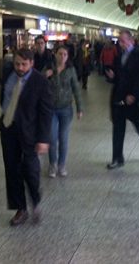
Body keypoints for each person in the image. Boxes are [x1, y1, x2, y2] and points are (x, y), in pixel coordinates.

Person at [0, 48, 53, 226]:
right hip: (8, 128)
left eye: (23, 64)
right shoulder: (8, 75)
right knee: (12, 169)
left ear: (31, 63)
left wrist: (43, 139)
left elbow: (46, 113)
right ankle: (20, 208)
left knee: (30, 169)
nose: (19, 67)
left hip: (30, 132)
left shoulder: (40, 82)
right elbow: (3, 97)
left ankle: (35, 198)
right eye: (17, 64)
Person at [106, 30, 139, 169]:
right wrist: (112, 77)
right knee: (118, 129)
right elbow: (119, 77)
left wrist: (134, 94)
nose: (121, 44)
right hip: (119, 98)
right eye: (119, 41)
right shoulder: (119, 56)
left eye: (123, 41)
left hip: (133, 99)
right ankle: (117, 158)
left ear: (131, 41)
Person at [48, 46, 83, 178]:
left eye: (65, 54)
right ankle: (52, 164)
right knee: (52, 138)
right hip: (51, 109)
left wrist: (80, 108)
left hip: (66, 109)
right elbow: (38, 83)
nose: (62, 56)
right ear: (55, 54)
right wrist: (45, 75)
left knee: (63, 138)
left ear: (68, 57)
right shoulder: (49, 68)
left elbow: (76, 89)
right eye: (60, 54)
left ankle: (61, 164)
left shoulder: (70, 70)